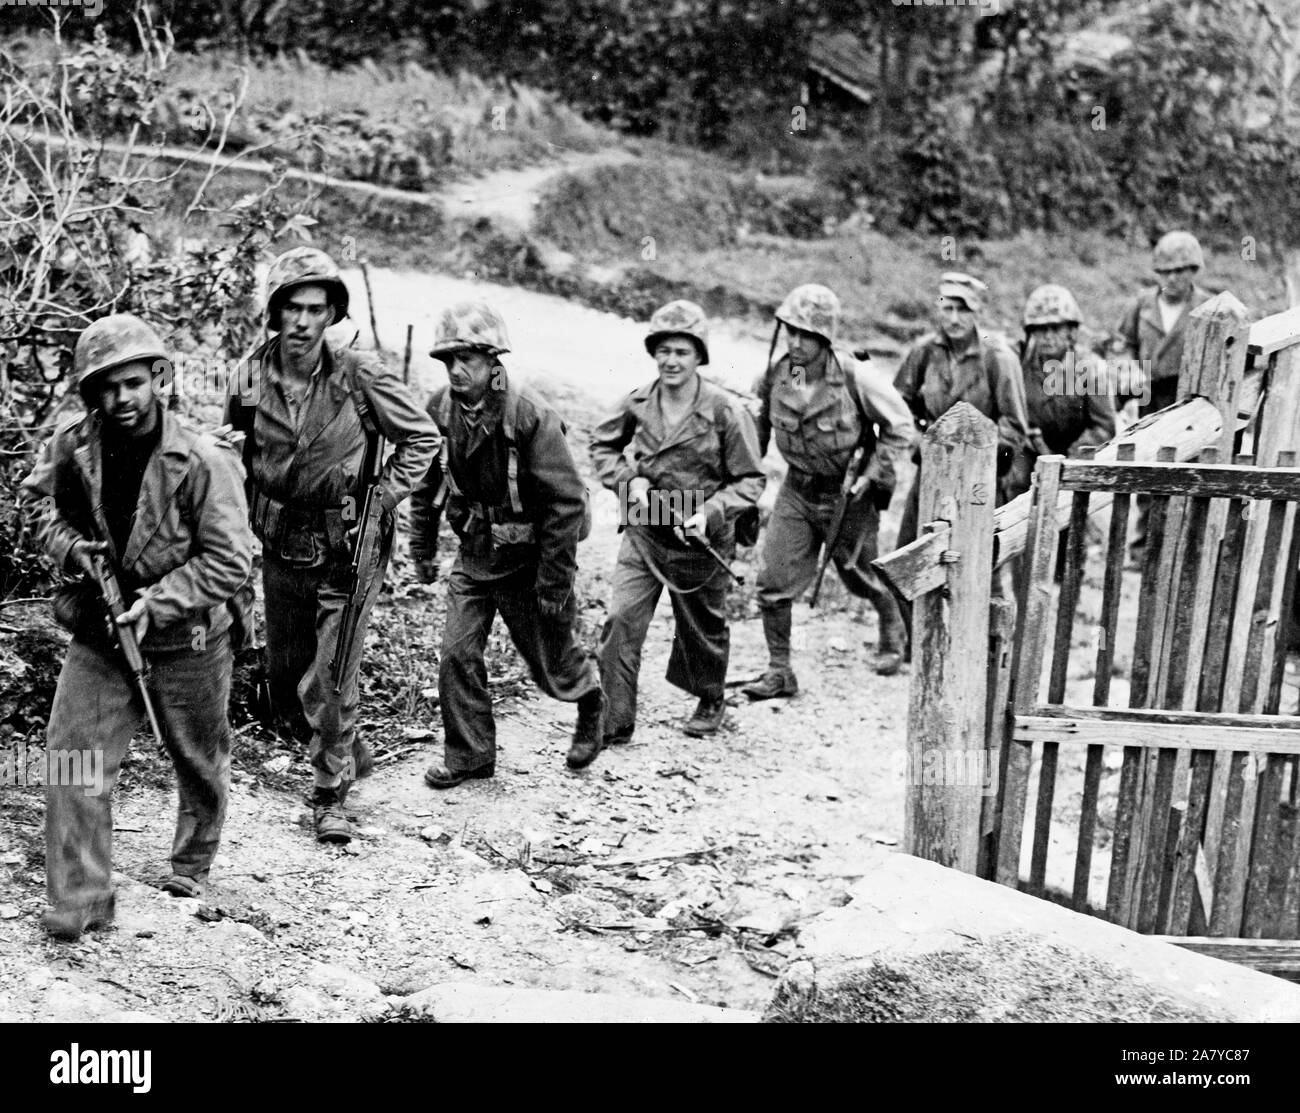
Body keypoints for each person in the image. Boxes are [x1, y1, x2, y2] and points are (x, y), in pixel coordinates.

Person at [21, 314, 254, 939]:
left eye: (131, 383)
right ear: (90, 394)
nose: (119, 399)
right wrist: (73, 549)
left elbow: (231, 560)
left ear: (158, 379)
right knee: (72, 758)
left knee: (198, 757)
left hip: (187, 638)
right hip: (101, 632)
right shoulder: (74, 447)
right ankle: (82, 896)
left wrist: (160, 600)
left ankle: (191, 861)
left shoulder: (203, 459)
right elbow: (39, 507)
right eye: (105, 387)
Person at [224, 247, 439, 844]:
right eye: (291, 307)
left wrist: (383, 497)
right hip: (279, 540)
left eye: (315, 309)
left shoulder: (359, 374)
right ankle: (347, 745)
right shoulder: (246, 376)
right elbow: (238, 451)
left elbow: (422, 439)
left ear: (330, 316)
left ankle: (329, 796)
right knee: (288, 675)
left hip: (348, 540)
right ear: (274, 312)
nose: (301, 321)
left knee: (332, 674)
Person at [408, 301, 605, 787]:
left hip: (530, 558)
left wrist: (555, 583)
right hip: (475, 554)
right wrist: (423, 547)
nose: (456, 370)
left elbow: (565, 506)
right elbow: (427, 485)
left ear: (494, 359)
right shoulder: (438, 410)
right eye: (449, 360)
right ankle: (470, 755)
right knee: (456, 652)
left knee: (549, 663)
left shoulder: (529, 415)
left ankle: (590, 698)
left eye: (468, 359)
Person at [590, 300, 764, 741]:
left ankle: (710, 696)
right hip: (646, 528)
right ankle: (615, 718)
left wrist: (710, 512)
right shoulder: (637, 402)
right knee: (621, 618)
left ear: (699, 356)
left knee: (701, 627)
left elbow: (750, 479)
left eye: (682, 351)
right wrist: (629, 481)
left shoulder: (725, 411)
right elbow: (602, 447)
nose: (671, 360)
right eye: (663, 350)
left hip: (700, 536)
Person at [744, 284, 916, 695]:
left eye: (807, 335)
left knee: (860, 574)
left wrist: (872, 474)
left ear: (825, 339)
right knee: (773, 578)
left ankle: (892, 627)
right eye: (791, 332)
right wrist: (744, 485)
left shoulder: (857, 378)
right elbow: (756, 433)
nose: (797, 344)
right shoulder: (776, 377)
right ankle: (779, 670)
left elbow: (901, 427)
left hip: (847, 494)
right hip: (797, 491)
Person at [893, 272, 1031, 552]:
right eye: (948, 308)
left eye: (963, 310)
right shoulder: (924, 352)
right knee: (911, 556)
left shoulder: (998, 357)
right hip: (930, 470)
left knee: (976, 564)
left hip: (978, 476)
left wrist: (976, 454)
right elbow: (897, 406)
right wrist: (920, 438)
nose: (954, 319)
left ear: (977, 311)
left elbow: (1015, 425)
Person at [1111, 231, 1212, 560]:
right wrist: (1127, 369)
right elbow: (1123, 343)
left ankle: (1185, 547)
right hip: (1149, 395)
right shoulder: (1141, 305)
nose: (1172, 279)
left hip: (1187, 396)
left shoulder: (1207, 306)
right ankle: (1144, 546)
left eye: (1180, 271)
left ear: (1193, 271)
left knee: (1188, 468)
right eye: (1165, 272)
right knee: (1149, 465)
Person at [1008, 283, 1118, 499]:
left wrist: (1068, 459)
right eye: (1041, 329)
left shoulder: (1090, 368)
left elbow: (1104, 427)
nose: (1048, 336)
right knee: (1016, 480)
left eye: (1056, 328)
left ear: (1071, 331)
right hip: (1030, 452)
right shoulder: (1018, 366)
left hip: (1078, 455)